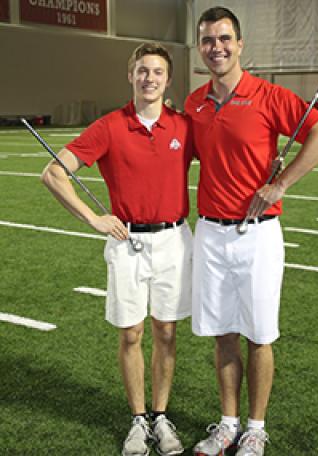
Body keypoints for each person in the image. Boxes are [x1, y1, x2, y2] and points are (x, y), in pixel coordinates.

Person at [184, 7, 318, 456]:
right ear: (200, 47)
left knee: (259, 334)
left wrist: (281, 182)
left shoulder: (268, 95)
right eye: (208, 40)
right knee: (223, 333)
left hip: (257, 232)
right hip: (211, 232)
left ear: (240, 44)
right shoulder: (194, 103)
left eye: (224, 39)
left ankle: (255, 428)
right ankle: (228, 425)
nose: (217, 47)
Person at [41, 43, 193, 456]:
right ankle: (138, 420)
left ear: (168, 79)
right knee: (131, 334)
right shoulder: (109, 126)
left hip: (174, 241)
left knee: (165, 331)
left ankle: (160, 418)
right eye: (143, 70)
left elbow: (225, 155)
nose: (150, 78)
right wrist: (93, 219)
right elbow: (53, 173)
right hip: (127, 243)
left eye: (158, 71)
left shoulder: (183, 125)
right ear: (131, 75)